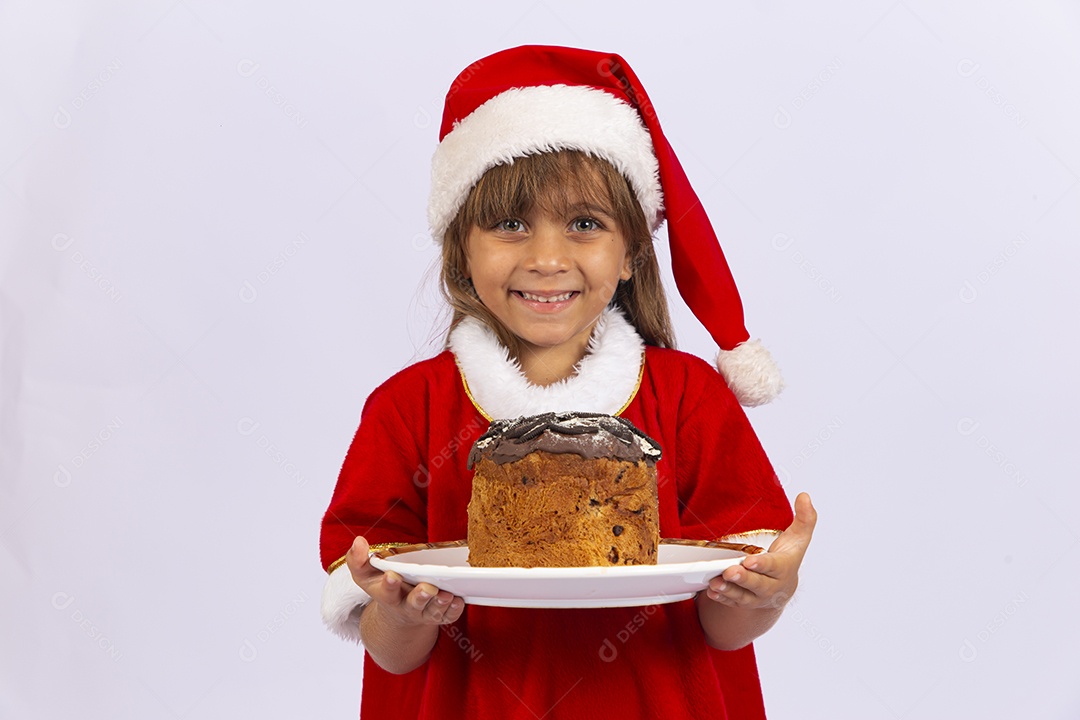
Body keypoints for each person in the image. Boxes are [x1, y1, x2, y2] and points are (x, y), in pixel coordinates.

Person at [319, 45, 817, 720]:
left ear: (633, 249)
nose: (547, 258)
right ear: (462, 246)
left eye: (585, 224)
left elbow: (723, 626)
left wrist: (766, 594)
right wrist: (404, 614)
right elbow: (391, 648)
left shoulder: (688, 398)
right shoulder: (409, 411)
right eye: (509, 223)